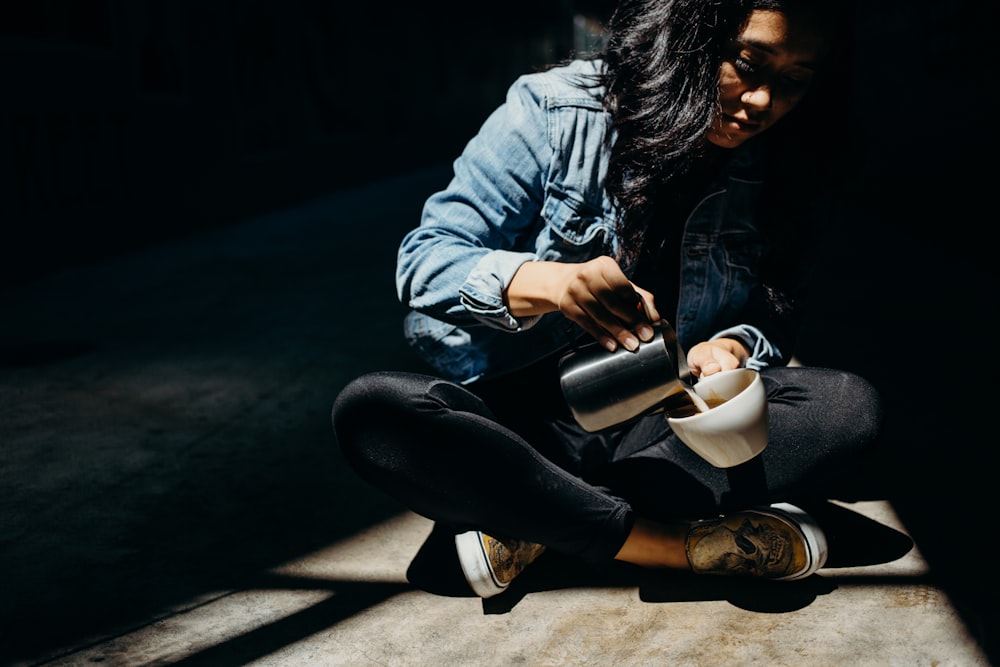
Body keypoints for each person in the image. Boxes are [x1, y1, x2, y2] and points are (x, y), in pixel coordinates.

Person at [332, 0, 882, 599]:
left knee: (849, 407)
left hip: (670, 426)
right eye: (748, 63)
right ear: (690, 36)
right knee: (373, 411)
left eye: (794, 81)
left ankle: (535, 516)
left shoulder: (787, 161)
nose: (762, 103)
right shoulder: (554, 109)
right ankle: (669, 545)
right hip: (530, 422)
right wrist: (553, 284)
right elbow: (424, 260)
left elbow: (775, 313)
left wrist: (730, 346)